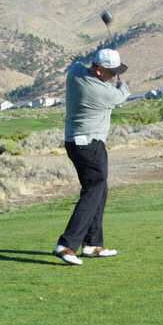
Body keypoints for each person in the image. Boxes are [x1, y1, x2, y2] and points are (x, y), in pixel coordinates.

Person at [53, 49, 130, 265]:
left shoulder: (75, 73)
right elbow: (122, 95)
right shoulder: (100, 92)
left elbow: (76, 63)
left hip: (76, 143)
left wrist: (111, 73)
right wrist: (122, 83)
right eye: (111, 72)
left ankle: (92, 244)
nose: (114, 75)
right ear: (97, 70)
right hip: (89, 145)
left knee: (99, 189)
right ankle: (66, 244)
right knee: (94, 189)